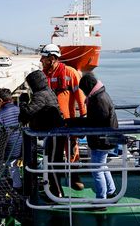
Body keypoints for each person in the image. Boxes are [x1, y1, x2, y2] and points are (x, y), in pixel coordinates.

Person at [40, 43, 86, 190]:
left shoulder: (70, 73)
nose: (41, 60)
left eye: (44, 58)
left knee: (72, 150)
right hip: (51, 123)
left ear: (52, 58)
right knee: (55, 154)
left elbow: (81, 97)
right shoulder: (43, 76)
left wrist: (83, 117)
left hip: (69, 122)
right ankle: (56, 183)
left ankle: (74, 178)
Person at [67, 72, 117, 202]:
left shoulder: (99, 99)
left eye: (84, 90)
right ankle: (111, 191)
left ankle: (101, 199)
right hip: (105, 139)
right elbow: (95, 120)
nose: (83, 93)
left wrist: (75, 122)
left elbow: (95, 122)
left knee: (96, 170)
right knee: (102, 166)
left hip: (101, 140)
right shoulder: (99, 95)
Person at [18, 70, 65, 198]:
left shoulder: (40, 95)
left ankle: (58, 194)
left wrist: (22, 102)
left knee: (52, 163)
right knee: (53, 162)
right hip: (56, 132)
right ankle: (54, 190)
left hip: (54, 133)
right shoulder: (48, 91)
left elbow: (27, 112)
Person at [0, 88, 22, 191]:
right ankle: (18, 186)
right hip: (19, 145)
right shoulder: (18, 109)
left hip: (7, 145)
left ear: (1, 101)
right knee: (13, 164)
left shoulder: (0, 115)